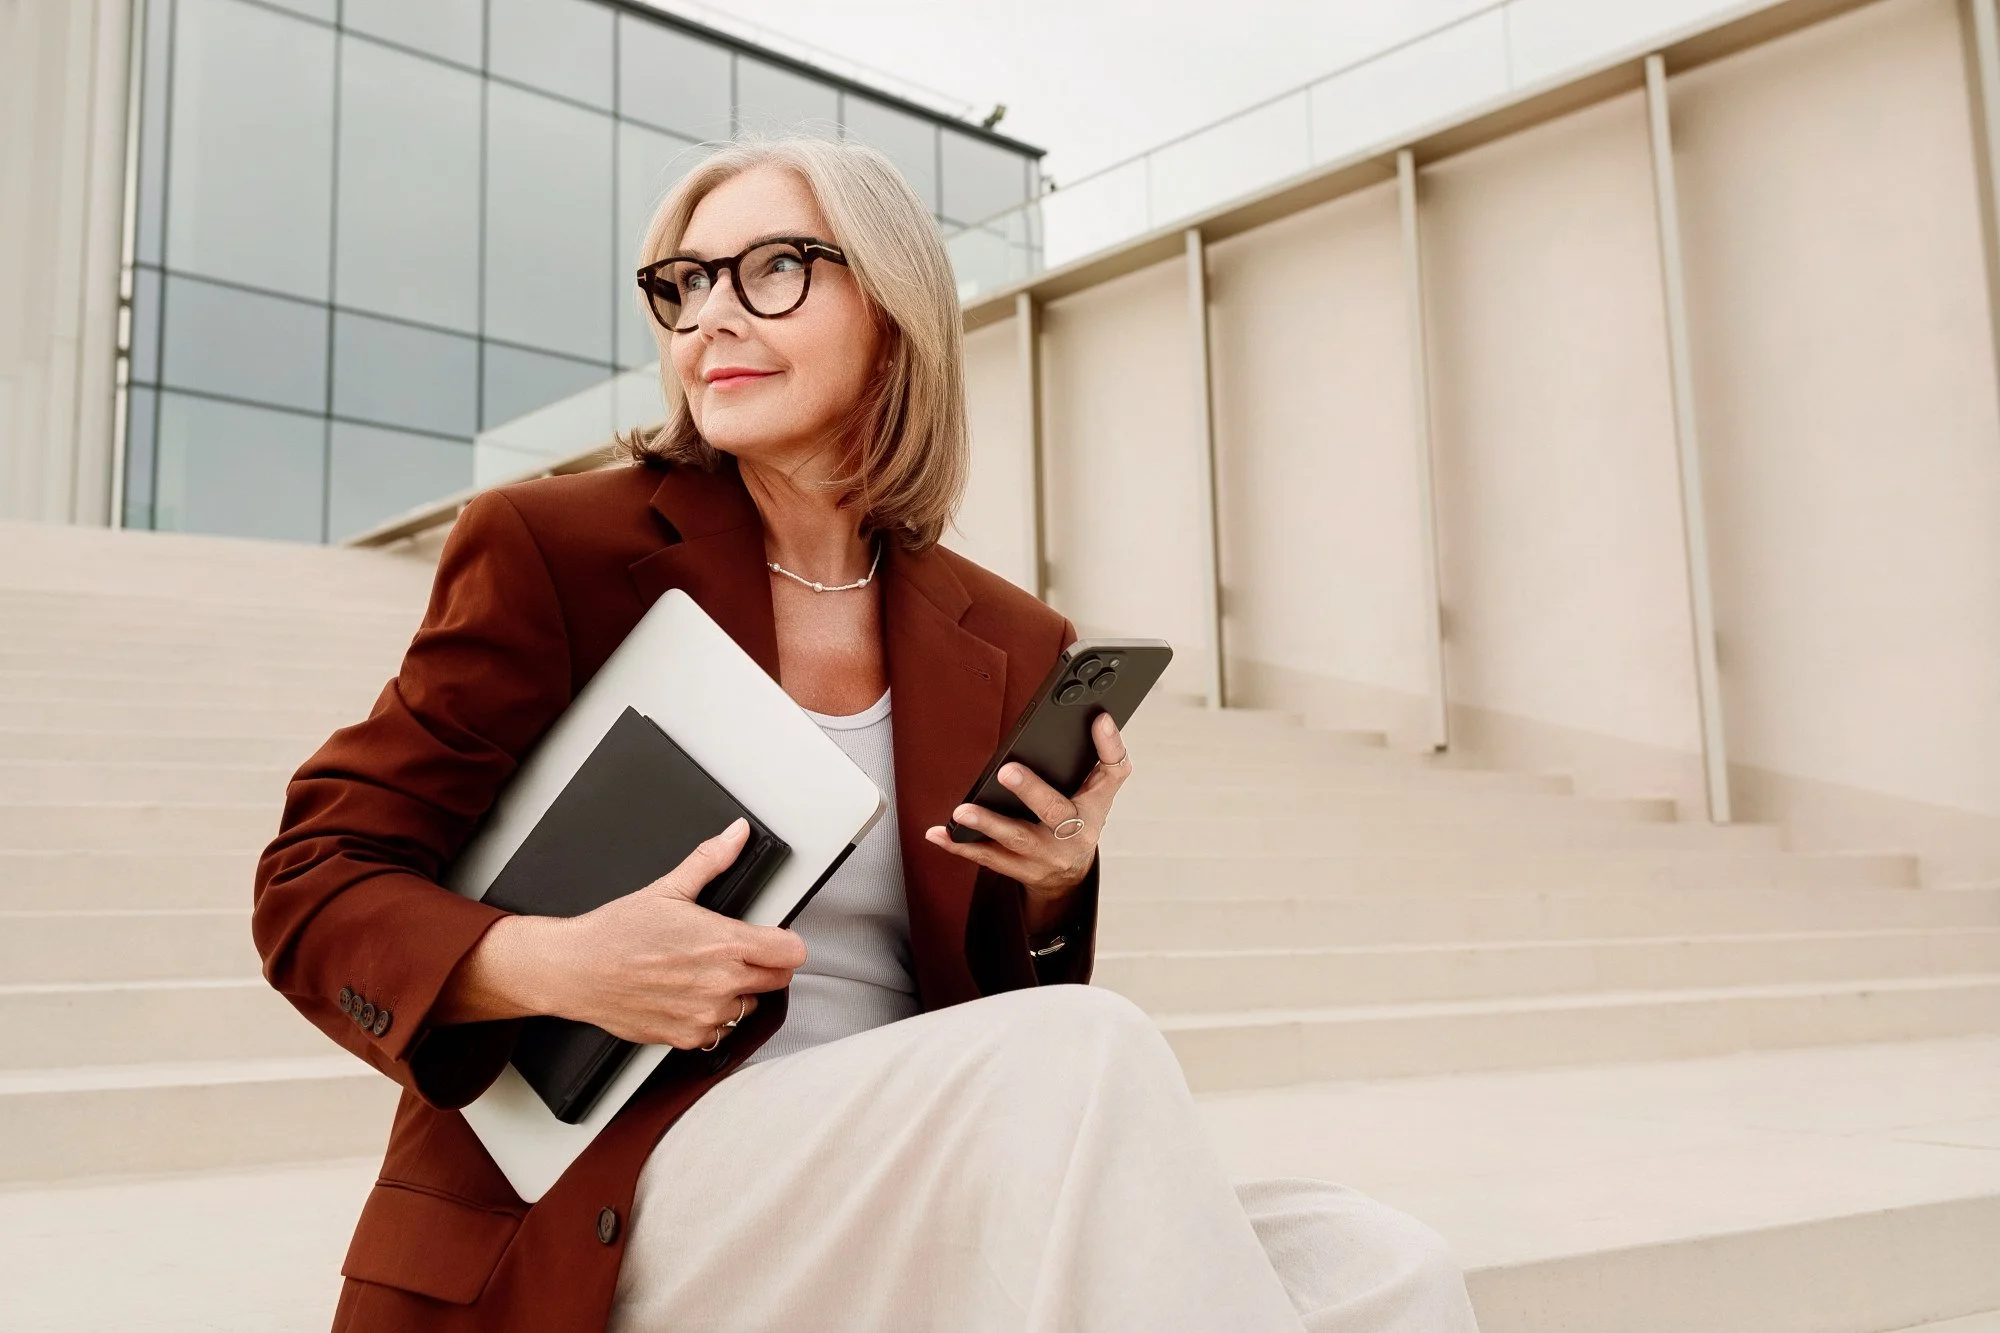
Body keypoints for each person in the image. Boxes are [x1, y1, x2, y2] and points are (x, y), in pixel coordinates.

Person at [251, 133, 1481, 1333]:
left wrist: (1048, 892)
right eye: (682, 284)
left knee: (1383, 1270)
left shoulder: (1003, 632)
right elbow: (313, 882)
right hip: (631, 1173)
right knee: (1084, 1053)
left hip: (903, 1158)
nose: (709, 318)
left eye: (771, 269)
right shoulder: (557, 550)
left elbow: (1004, 1013)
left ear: (892, 310)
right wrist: (559, 964)